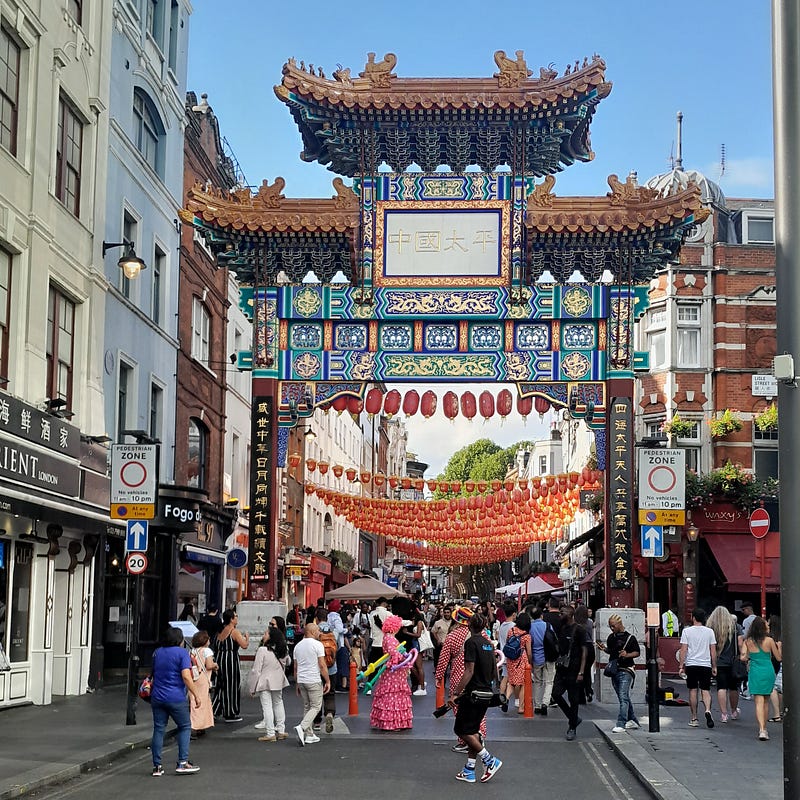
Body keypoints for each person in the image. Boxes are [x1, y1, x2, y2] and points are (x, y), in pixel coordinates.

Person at [449, 613, 503, 784]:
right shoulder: (488, 643)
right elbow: (495, 669)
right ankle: (469, 770)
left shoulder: (471, 643)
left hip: (474, 693)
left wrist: (456, 693)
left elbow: (469, 670)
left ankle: (489, 760)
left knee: (461, 730)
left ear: (469, 626)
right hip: (486, 692)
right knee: (473, 731)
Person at [150, 626, 202, 776]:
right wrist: (196, 694)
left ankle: (157, 767)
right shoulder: (182, 653)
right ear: (180, 640)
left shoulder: (157, 652)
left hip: (157, 696)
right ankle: (182, 762)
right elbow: (186, 676)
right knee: (185, 726)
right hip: (176, 697)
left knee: (159, 729)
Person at [436, 606, 487, 752]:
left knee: (459, 709)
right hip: (479, 676)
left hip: (459, 677)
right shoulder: (482, 634)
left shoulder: (452, 636)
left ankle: (465, 740)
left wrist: (439, 676)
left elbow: (443, 659)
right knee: (479, 709)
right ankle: (480, 735)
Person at [369, 614, 413, 730]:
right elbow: (393, 653)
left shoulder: (389, 637)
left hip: (396, 671)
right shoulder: (389, 638)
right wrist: (403, 659)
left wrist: (404, 655)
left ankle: (397, 721)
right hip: (393, 672)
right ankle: (392, 722)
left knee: (395, 694)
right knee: (392, 694)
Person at [597, 614, 640, 733]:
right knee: (623, 697)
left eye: (613, 626)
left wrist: (627, 654)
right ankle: (632, 720)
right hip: (615, 670)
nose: (612, 628)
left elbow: (637, 652)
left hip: (626, 670)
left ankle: (621, 723)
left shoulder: (630, 638)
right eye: (610, 626)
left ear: (620, 624)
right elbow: (612, 652)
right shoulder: (611, 637)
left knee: (623, 696)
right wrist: (604, 649)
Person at [741, 616, 781, 740]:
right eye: (766, 625)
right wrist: (779, 647)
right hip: (768, 671)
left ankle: (761, 729)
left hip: (755, 671)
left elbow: (743, 657)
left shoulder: (748, 641)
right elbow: (779, 658)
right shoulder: (769, 641)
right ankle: (765, 728)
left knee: (758, 701)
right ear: (762, 627)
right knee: (766, 701)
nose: (768, 627)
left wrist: (748, 656)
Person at [250, 624, 291, 742]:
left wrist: (252, 687)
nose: (264, 635)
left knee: (267, 707)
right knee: (278, 703)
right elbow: (287, 662)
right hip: (278, 680)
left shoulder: (262, 650)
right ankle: (281, 730)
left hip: (264, 681)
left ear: (271, 637)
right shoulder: (283, 650)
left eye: (266, 633)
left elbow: (256, 670)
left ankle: (270, 733)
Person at [552, 604, 587, 741]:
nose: (560, 615)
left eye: (562, 613)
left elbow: (584, 651)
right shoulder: (562, 628)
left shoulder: (579, 630)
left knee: (574, 700)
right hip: (562, 669)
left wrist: (582, 672)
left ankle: (572, 727)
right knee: (555, 694)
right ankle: (573, 718)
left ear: (570, 614)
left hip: (574, 669)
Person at [677, 607, 717, 729]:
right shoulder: (710, 632)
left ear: (693, 617)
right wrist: (714, 665)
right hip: (705, 664)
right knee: (705, 690)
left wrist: (681, 665)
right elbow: (713, 651)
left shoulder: (687, 631)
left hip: (692, 664)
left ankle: (694, 718)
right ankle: (708, 710)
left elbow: (684, 649)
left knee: (693, 690)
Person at [293, 622, 330, 746]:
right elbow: (322, 665)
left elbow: (295, 667)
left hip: (302, 679)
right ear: (313, 632)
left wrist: (297, 683)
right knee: (315, 706)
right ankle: (302, 727)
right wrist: (328, 680)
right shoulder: (318, 645)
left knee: (307, 706)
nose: (320, 632)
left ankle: (309, 735)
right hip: (313, 679)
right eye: (318, 630)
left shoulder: (297, 646)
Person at [212, 609, 249, 723]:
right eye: (236, 616)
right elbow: (244, 646)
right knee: (231, 686)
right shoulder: (234, 632)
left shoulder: (220, 631)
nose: (237, 618)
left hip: (219, 660)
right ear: (232, 619)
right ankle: (230, 712)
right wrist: (247, 637)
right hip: (230, 661)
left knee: (220, 686)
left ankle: (214, 710)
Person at [707, 606, 740, 723]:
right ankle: (734, 711)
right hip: (733, 661)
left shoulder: (711, 628)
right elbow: (740, 644)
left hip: (719, 661)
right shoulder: (735, 627)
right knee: (733, 687)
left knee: (721, 687)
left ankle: (723, 714)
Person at [189, 630, 217, 739]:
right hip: (203, 679)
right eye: (208, 639)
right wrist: (215, 665)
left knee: (194, 700)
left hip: (193, 678)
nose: (209, 640)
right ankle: (196, 727)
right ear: (204, 640)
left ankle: (199, 726)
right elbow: (209, 665)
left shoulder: (192, 651)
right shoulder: (207, 651)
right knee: (202, 702)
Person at [529, 607, 556, 715]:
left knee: (537, 682)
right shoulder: (548, 625)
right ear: (541, 615)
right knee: (549, 682)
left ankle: (537, 705)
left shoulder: (530, 627)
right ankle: (545, 702)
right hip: (549, 657)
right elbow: (554, 640)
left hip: (536, 658)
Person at [504, 612, 531, 713]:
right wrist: (530, 662)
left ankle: (506, 699)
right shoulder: (526, 635)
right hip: (521, 660)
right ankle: (521, 707)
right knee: (523, 683)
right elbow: (529, 652)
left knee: (511, 681)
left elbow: (508, 642)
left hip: (510, 659)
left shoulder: (511, 631)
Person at [574, 605, 595, 703]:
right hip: (590, 647)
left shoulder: (576, 624)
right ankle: (589, 691)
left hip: (580, 647)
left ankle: (581, 695)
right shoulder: (590, 622)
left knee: (580, 671)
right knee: (587, 671)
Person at [767, 615, 783, 723]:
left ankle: (777, 714)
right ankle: (781, 711)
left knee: (773, 687)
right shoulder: (783, 635)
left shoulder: (769, 638)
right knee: (780, 688)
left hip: (772, 662)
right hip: (780, 663)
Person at [368, 597, 391, 665]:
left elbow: (370, 625)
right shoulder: (388, 614)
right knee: (384, 666)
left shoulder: (372, 613)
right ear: (384, 603)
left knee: (374, 665)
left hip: (374, 642)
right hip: (385, 643)